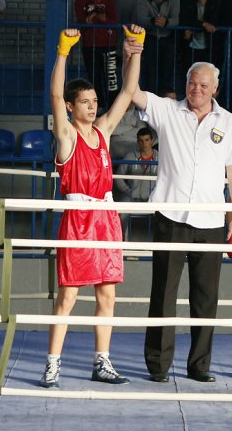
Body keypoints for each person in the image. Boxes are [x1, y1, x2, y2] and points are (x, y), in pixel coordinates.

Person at [39, 25, 144, 389]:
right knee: (68, 296)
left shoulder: (103, 131)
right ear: (71, 106)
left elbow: (129, 92)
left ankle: (102, 362)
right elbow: (54, 93)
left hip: (106, 219)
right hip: (79, 219)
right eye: (85, 102)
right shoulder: (66, 136)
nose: (93, 106)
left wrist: (138, 50)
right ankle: (52, 364)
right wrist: (63, 51)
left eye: (95, 101)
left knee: (108, 296)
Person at [131, 58, 232, 384]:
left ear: (215, 89)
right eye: (192, 83)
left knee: (206, 296)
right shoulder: (167, 111)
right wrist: (134, 54)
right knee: (163, 292)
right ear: (186, 83)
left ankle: (199, 366)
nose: (197, 89)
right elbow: (132, 91)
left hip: (211, 220)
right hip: (170, 215)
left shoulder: (229, 122)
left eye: (204, 85)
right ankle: (158, 365)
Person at [74, 0, 120, 112]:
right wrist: (98, 17)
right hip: (89, 44)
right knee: (94, 76)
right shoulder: (80, 0)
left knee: (111, 77)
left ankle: (114, 106)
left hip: (108, 43)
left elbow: (113, 19)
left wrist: (98, 16)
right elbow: (82, 20)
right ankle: (98, 105)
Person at [135, 0, 180, 93]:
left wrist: (166, 22)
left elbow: (177, 20)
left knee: (167, 70)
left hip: (168, 37)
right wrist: (152, 21)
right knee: (149, 71)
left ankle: (164, 100)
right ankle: (149, 100)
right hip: (150, 37)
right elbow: (140, 18)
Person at [113, 126, 158, 238]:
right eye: (141, 141)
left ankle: (158, 242)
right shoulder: (130, 156)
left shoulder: (160, 157)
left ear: (152, 141)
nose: (144, 143)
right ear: (137, 142)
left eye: (147, 140)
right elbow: (118, 177)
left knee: (164, 214)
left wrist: (156, 193)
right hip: (132, 196)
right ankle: (122, 240)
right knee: (121, 210)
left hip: (153, 197)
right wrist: (128, 190)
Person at [179, 0, 219, 68]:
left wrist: (199, 24)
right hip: (191, 44)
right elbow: (185, 19)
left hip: (209, 45)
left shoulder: (214, 3)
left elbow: (213, 21)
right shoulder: (188, 2)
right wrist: (204, 24)